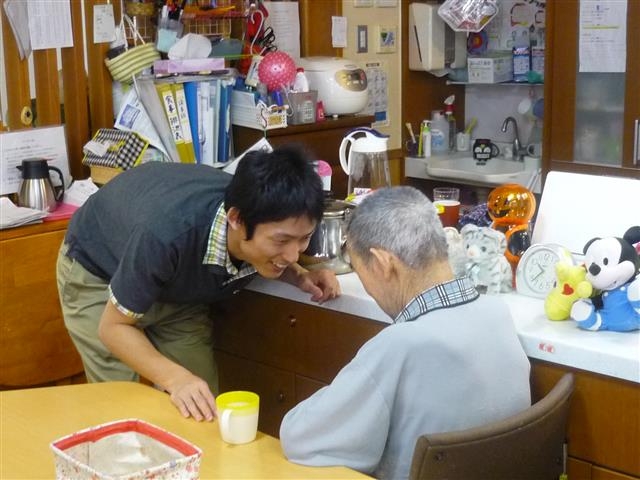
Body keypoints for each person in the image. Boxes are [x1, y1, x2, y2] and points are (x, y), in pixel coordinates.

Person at [56, 145, 340, 423]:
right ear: (236, 220)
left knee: (199, 409)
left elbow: (273, 252)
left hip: (178, 291)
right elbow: (112, 328)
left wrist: (301, 275)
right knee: (121, 414)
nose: (293, 254)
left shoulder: (264, 217)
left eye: (302, 239)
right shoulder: (166, 233)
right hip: (99, 274)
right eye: (281, 241)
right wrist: (174, 378)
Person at [279, 186, 531, 480]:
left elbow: (300, 438)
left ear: (382, 264)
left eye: (363, 275)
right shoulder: (497, 314)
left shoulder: (401, 346)